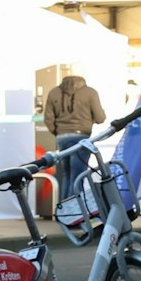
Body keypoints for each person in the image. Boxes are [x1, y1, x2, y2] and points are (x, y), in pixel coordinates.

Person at [43, 75, 105, 210]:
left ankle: (65, 211)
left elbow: (48, 118)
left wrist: (58, 131)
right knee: (78, 176)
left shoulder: (54, 92)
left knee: (66, 175)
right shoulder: (90, 92)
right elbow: (100, 118)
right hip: (81, 137)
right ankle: (75, 211)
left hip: (62, 137)